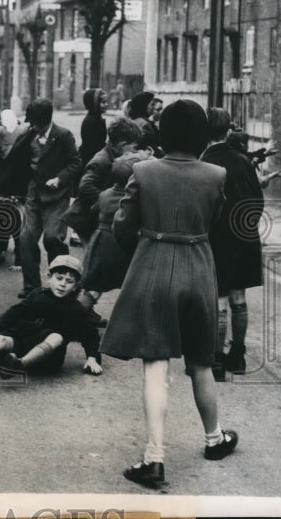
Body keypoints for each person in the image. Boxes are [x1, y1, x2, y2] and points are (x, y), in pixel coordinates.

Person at [102, 99, 238, 489]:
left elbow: (122, 226)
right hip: (198, 265)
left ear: (164, 133)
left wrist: (146, 246)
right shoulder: (216, 174)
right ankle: (214, 438)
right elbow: (218, 221)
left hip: (154, 264)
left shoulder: (143, 171)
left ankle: (154, 457)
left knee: (155, 362)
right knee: (201, 360)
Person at [0, 255, 102, 379]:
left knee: (56, 337)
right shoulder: (38, 295)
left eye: (69, 281)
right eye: (59, 278)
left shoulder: (76, 309)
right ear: (49, 277)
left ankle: (19, 365)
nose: (62, 284)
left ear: (75, 286)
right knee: (2, 339)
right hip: (20, 344)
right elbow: (16, 311)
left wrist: (92, 358)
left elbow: (90, 334)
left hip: (46, 360)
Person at [202, 108, 266, 378]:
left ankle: (215, 360)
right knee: (240, 297)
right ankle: (237, 356)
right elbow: (257, 201)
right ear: (228, 130)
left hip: (218, 239)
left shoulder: (204, 162)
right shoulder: (243, 160)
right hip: (246, 237)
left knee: (219, 300)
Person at [0, 100, 81, 298]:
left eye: (36, 122)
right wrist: (2, 187)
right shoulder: (29, 136)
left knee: (53, 238)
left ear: (46, 120)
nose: (32, 125)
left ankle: (61, 284)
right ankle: (31, 288)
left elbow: (76, 163)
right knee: (26, 239)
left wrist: (60, 178)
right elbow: (14, 162)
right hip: (34, 194)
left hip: (57, 196)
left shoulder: (63, 136)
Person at [77, 150, 151, 320]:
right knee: (134, 285)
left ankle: (77, 316)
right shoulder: (133, 199)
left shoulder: (104, 195)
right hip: (123, 245)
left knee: (95, 288)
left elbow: (93, 211)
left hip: (102, 243)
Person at [63, 116, 141, 246]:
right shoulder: (101, 160)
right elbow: (85, 186)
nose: (135, 151)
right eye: (134, 148)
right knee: (93, 253)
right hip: (85, 218)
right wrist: (106, 201)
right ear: (122, 146)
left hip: (96, 217)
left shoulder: (115, 156)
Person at [78, 88, 109, 179]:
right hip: (90, 159)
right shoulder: (90, 122)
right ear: (94, 104)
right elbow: (93, 146)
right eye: (103, 102)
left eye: (106, 102)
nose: (106, 105)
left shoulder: (97, 118)